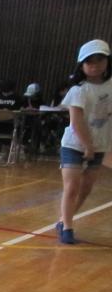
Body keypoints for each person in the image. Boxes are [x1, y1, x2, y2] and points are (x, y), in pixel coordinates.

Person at [57, 39, 112, 244]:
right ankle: (68, 228)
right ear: (81, 65)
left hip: (100, 144)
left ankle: (63, 220)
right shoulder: (78, 90)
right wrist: (87, 146)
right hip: (74, 144)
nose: (94, 65)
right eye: (89, 61)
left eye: (99, 59)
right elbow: (77, 121)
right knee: (72, 187)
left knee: (86, 189)